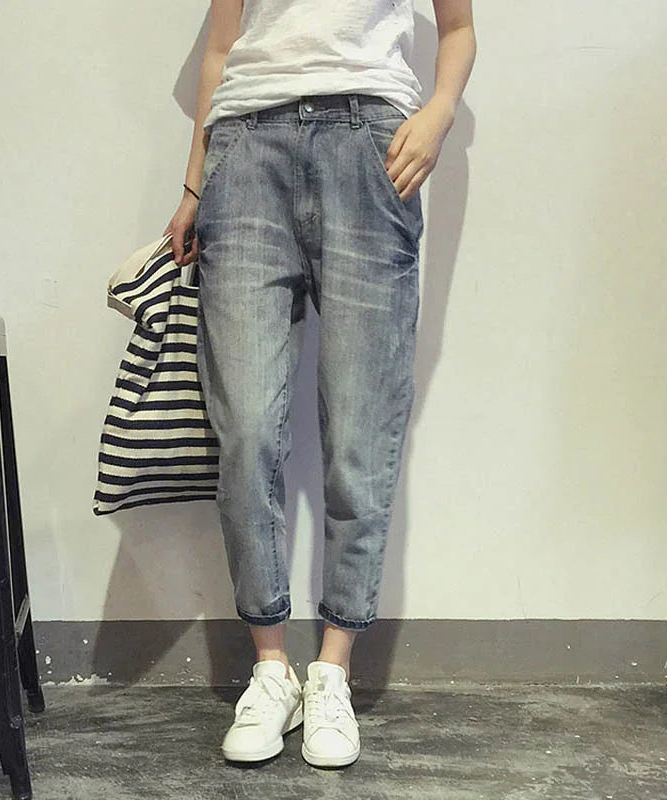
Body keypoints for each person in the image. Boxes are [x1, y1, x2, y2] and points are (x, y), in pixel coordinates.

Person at [164, 0, 476, 768]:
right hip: (246, 148)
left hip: (370, 143)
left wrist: (439, 111)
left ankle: (332, 671)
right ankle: (272, 668)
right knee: (245, 430)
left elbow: (459, 28)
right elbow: (221, 48)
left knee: (362, 431)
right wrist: (196, 185)